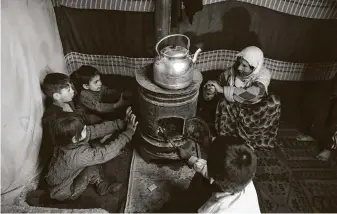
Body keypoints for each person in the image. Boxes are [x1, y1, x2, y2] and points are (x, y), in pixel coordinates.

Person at [45, 112, 138, 201]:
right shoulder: (77, 156)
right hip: (63, 191)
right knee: (92, 166)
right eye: (84, 130)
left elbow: (93, 130)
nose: (87, 129)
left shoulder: (66, 140)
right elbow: (104, 154)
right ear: (74, 139)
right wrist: (127, 134)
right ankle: (101, 185)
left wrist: (120, 124)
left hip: (56, 178)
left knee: (93, 144)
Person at [203, 46, 281, 148]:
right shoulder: (231, 72)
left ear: (254, 67)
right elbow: (218, 85)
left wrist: (222, 89)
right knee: (223, 102)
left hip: (255, 113)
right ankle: (229, 139)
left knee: (274, 101)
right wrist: (211, 89)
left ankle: (256, 141)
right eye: (239, 63)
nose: (239, 68)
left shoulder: (263, 74)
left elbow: (254, 94)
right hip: (235, 111)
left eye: (244, 66)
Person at [176, 136, 260, 213]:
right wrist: (189, 158)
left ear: (213, 178)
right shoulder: (244, 174)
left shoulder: (213, 210)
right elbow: (216, 171)